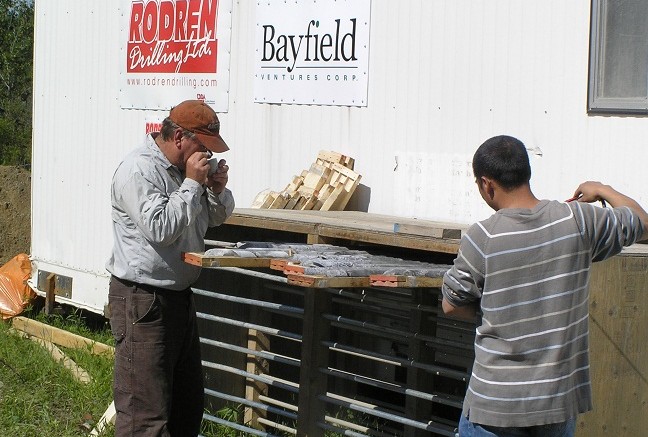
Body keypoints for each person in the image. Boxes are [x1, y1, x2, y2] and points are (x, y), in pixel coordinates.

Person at [441, 135, 647, 437]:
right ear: (527, 172)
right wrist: (602, 189)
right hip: (557, 403)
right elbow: (641, 221)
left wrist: (495, 313)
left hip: (496, 407)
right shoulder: (579, 220)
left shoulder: (482, 237)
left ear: (487, 184)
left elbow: (451, 304)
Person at [105, 99, 235, 436]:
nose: (206, 156)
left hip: (177, 298)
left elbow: (214, 219)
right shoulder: (138, 170)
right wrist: (192, 184)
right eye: (202, 146)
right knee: (145, 416)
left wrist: (215, 191)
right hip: (141, 299)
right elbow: (160, 229)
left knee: (185, 407)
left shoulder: (182, 171)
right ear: (179, 136)